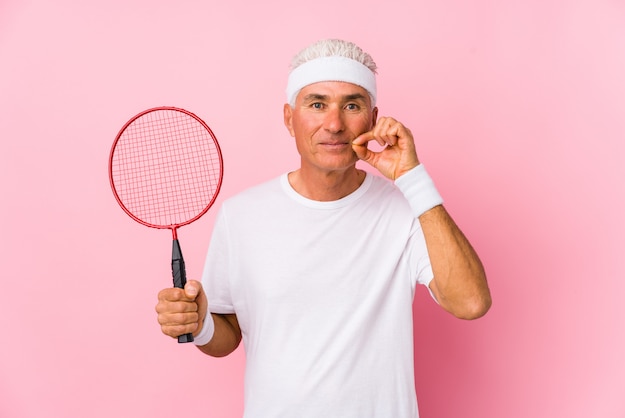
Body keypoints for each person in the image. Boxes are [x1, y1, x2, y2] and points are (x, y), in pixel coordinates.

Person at [156, 38, 491, 417]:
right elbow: (229, 331)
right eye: (317, 104)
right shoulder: (242, 216)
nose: (334, 124)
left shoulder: (406, 211)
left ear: (373, 117)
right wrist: (200, 324)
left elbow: (471, 302)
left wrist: (412, 179)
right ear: (289, 118)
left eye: (351, 105)